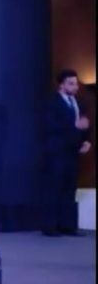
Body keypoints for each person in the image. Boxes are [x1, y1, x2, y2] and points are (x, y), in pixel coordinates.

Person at [42, 69, 91, 237]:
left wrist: (86, 141)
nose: (75, 87)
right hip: (56, 152)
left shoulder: (79, 103)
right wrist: (74, 126)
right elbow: (50, 126)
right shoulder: (52, 103)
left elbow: (84, 125)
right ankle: (50, 226)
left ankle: (68, 226)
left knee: (70, 189)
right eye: (71, 83)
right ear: (61, 85)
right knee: (54, 188)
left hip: (73, 152)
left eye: (76, 83)